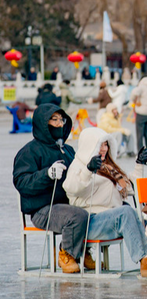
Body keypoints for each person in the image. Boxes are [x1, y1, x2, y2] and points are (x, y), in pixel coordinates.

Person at [63, 128, 147, 277]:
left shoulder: (108, 167)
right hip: (89, 222)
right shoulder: (78, 166)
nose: (104, 149)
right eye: (100, 145)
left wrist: (139, 164)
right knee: (125, 212)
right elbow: (70, 188)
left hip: (112, 219)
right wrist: (88, 170)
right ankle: (145, 259)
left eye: (106, 144)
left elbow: (129, 188)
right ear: (89, 145)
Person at [13, 105, 90, 273]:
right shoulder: (29, 152)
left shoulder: (67, 150)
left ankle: (83, 251)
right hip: (42, 210)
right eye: (54, 120)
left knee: (94, 210)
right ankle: (67, 254)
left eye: (61, 119)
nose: (59, 124)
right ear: (43, 124)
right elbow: (22, 182)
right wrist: (47, 174)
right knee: (77, 216)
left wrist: (90, 169)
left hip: (68, 204)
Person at [130, 76, 147, 157]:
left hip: (141, 113)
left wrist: (133, 100)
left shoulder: (142, 86)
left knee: (139, 134)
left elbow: (134, 93)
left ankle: (140, 153)